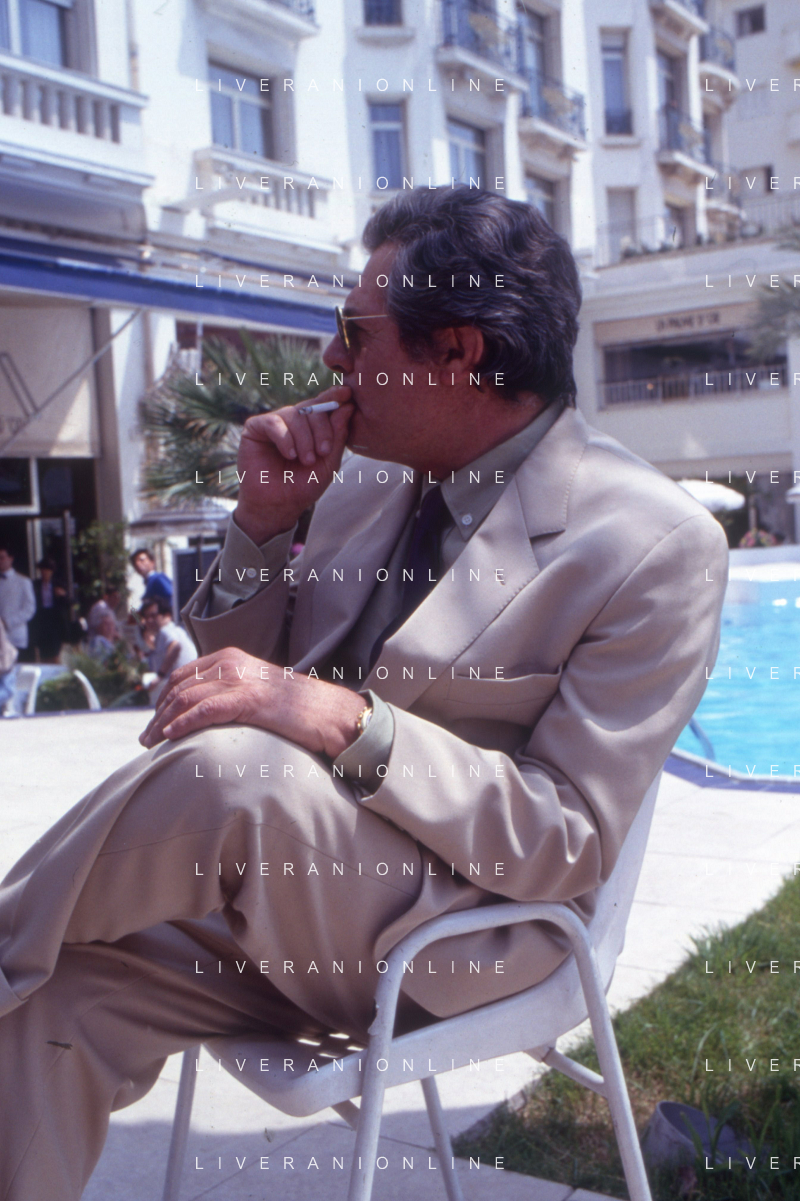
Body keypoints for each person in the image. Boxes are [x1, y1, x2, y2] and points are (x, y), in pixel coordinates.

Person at [0, 189, 728, 1199]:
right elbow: (238, 682)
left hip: (462, 930)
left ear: (458, 350)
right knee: (55, 996)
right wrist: (262, 526)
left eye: (355, 331)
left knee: (236, 775)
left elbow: (563, 837)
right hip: (288, 889)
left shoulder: (650, 543)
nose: (330, 359)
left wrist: (344, 717)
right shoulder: (363, 482)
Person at [139, 597, 197, 702]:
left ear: (165, 615)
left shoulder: (165, 630)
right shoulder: (173, 630)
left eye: (153, 616)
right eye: (146, 617)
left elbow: (175, 646)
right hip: (188, 687)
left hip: (183, 688)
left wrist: (159, 676)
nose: (149, 620)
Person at [0, 546, 35, 710]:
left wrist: (8, 622)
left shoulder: (23, 581)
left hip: (16, 636)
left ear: (10, 559)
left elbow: (29, 608)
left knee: (17, 675)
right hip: (0, 640)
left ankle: (17, 708)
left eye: (2, 557)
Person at [29, 557, 69, 663]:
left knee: (55, 650)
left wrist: (62, 595)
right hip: (41, 618)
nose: (45, 572)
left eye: (47, 570)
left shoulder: (59, 584)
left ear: (52, 571)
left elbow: (68, 604)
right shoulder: (35, 585)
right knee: (43, 650)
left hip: (54, 619)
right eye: (43, 570)